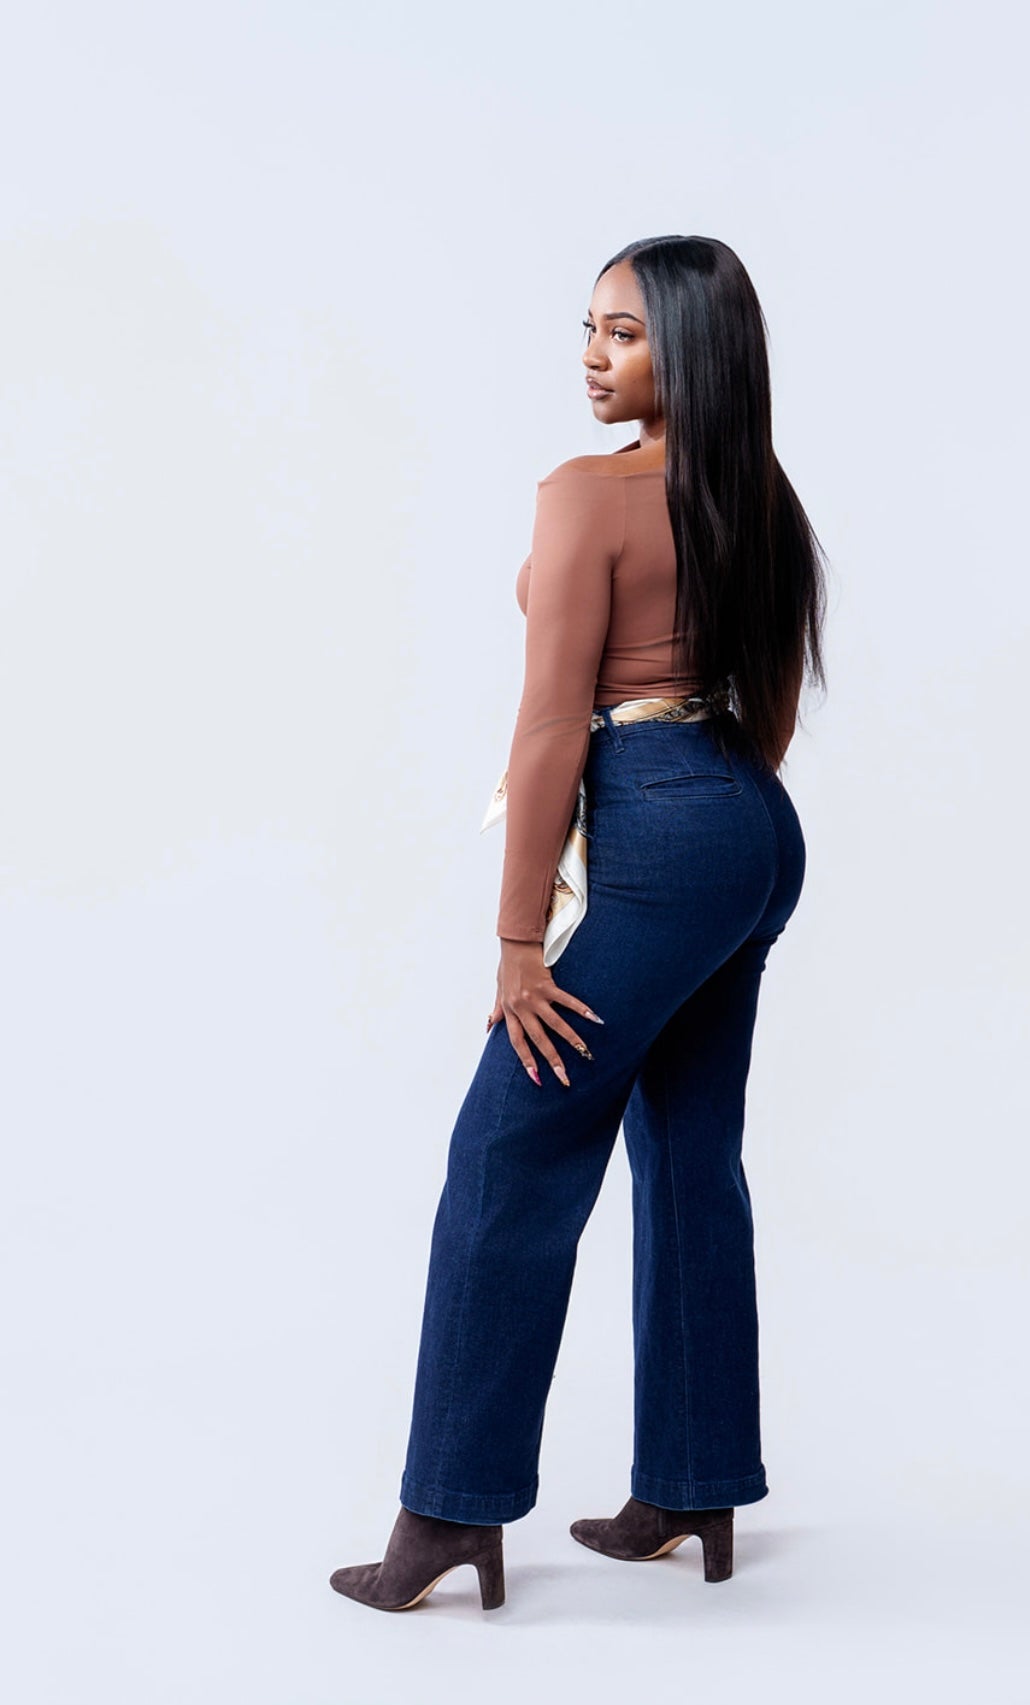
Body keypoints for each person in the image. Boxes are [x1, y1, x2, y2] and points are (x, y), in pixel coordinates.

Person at [330, 234, 827, 1614]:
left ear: (692, 350)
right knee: (686, 1144)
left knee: (509, 1141)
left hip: (658, 819)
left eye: (622, 332)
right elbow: (772, 702)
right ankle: (693, 1478)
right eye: (589, 329)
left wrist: (514, 944)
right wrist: (710, 817)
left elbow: (552, 726)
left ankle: (448, 1511)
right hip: (748, 820)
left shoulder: (580, 498)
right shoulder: (760, 492)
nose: (592, 355)